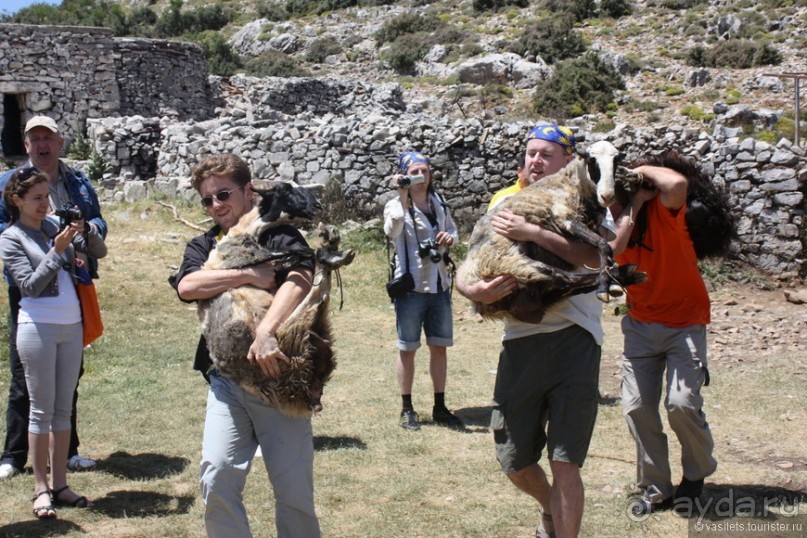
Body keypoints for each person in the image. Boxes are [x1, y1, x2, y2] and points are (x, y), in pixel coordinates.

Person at [456, 123, 608, 538]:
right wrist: (474, 290)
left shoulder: (587, 200)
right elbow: (468, 266)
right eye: (531, 153)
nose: (536, 160)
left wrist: (534, 234)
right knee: (515, 461)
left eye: (547, 154)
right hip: (520, 342)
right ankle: (549, 509)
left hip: (576, 337)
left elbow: (597, 259)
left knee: (565, 461)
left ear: (568, 161)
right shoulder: (503, 204)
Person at [169, 153, 320, 537]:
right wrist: (248, 274)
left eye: (223, 194)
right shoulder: (204, 244)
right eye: (207, 200)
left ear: (248, 190)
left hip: (279, 377)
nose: (216, 205)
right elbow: (187, 286)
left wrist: (267, 330)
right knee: (217, 474)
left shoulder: (276, 234)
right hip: (226, 379)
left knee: (293, 491)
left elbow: (301, 276)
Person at [0, 116, 107, 480]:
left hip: (71, 286)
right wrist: (38, 241)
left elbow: (97, 223)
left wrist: (86, 229)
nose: (42, 145)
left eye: (49, 138)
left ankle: (67, 452)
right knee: (24, 374)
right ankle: (14, 455)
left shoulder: (77, 181)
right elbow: (6, 233)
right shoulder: (8, 184)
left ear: (60, 143)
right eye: (36, 139)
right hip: (29, 291)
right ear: (26, 145)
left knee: (68, 375)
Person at [608, 159, 717, 516]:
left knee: (681, 403)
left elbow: (676, 185)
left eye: (615, 197)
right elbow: (612, 249)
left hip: (685, 322)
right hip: (640, 325)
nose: (609, 206)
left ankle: (696, 473)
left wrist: (639, 170)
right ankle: (656, 489)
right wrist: (631, 206)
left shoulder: (665, 214)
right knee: (637, 408)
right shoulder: (611, 224)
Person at [383, 151, 463, 432]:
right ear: (404, 176)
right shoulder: (395, 205)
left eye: (424, 171)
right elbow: (392, 231)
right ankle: (407, 409)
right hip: (411, 288)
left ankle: (440, 406)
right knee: (407, 349)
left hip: (439, 284)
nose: (421, 176)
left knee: (439, 347)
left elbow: (453, 231)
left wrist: (449, 238)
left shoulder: (439, 202)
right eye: (414, 172)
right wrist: (402, 196)